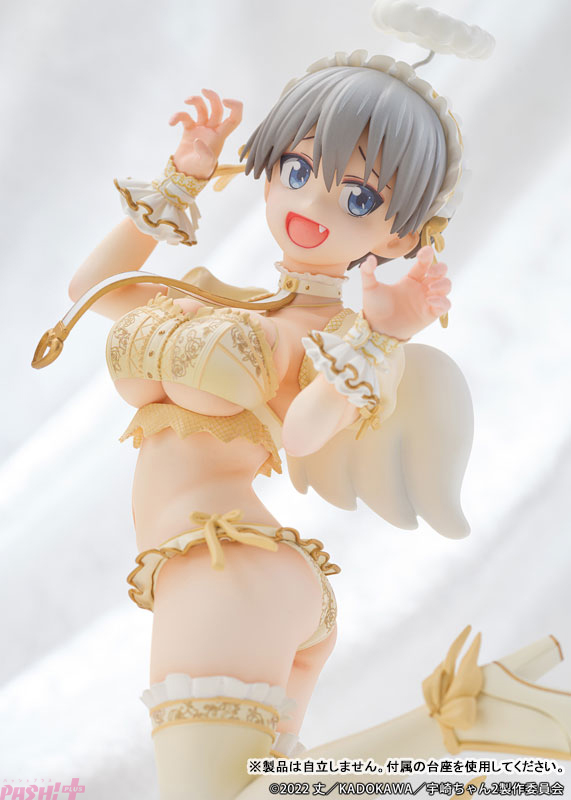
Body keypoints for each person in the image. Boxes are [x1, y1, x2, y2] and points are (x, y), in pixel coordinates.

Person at [35, 47, 571, 800]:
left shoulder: (333, 338)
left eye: (358, 196)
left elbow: (303, 435)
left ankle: (457, 730)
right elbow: (93, 289)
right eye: (296, 170)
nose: (313, 205)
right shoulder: (220, 299)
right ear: (268, 170)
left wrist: (382, 333)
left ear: (399, 237)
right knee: (260, 790)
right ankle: (457, 730)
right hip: (237, 577)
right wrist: (183, 174)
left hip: (222, 565)